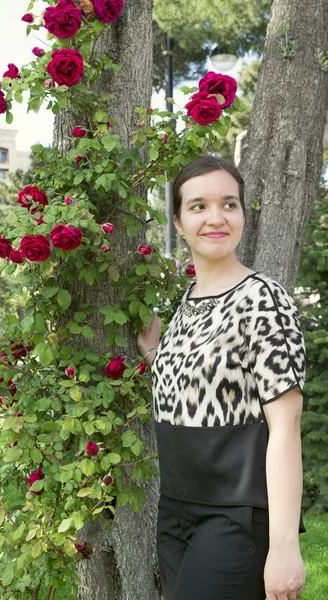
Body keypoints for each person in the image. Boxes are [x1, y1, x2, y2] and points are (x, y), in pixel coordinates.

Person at [137, 156, 307, 600]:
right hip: (175, 510)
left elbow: (286, 427)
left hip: (236, 515)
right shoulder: (189, 301)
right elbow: (204, 386)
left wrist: (285, 548)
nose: (216, 217)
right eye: (198, 206)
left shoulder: (264, 299)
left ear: (242, 216)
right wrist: (156, 353)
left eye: (228, 204)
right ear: (177, 220)